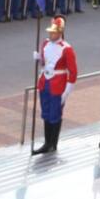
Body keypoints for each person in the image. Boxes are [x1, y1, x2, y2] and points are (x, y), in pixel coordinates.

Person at [31, 16, 77, 155]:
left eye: (54, 32)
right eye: (50, 32)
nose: (51, 34)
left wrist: (67, 91)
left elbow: (73, 72)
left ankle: (53, 143)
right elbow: (44, 63)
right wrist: (39, 58)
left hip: (58, 83)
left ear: (60, 32)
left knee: (54, 114)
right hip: (45, 80)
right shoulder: (45, 44)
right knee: (45, 113)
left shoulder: (67, 49)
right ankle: (47, 142)